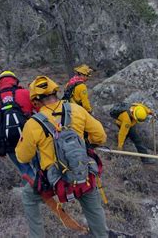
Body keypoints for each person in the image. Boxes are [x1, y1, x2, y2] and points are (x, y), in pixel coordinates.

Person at [16, 76, 108, 238]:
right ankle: (101, 234)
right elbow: (100, 136)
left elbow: (23, 157)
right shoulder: (76, 109)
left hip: (54, 181)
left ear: (36, 101)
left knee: (28, 197)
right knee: (92, 202)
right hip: (81, 174)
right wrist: (85, 144)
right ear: (55, 92)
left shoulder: (33, 124)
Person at [0, 70, 35, 178]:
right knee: (41, 169)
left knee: (26, 172)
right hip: (33, 140)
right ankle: (50, 191)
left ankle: (34, 191)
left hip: (10, 145)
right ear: (15, 81)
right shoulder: (26, 93)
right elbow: (42, 112)